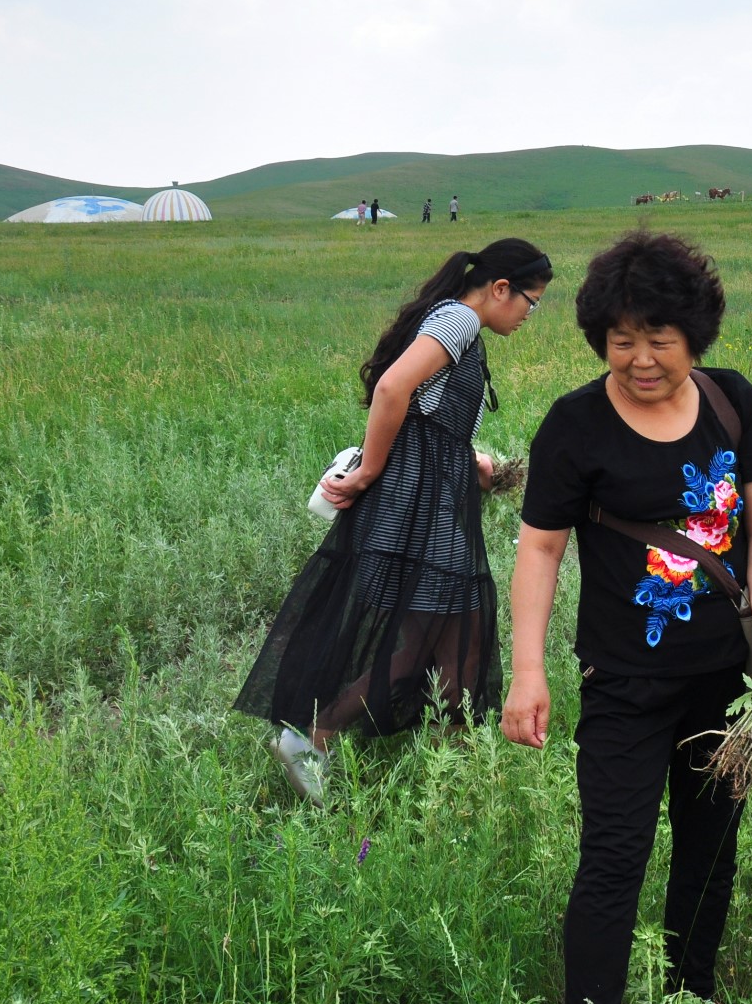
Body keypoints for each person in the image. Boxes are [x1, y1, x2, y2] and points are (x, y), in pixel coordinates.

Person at [501, 229, 752, 1004]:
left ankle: (689, 995)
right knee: (614, 857)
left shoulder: (733, 404)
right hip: (623, 681)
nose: (640, 359)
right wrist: (526, 668)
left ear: (694, 335)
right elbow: (542, 548)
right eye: (621, 339)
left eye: (659, 339)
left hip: (727, 682)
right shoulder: (574, 425)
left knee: (712, 846)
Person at [237, 239, 553, 805]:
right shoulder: (458, 320)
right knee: (422, 645)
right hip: (422, 516)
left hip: (433, 509)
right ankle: (316, 739)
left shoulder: (456, 325)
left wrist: (477, 464)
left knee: (459, 646)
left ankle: (447, 785)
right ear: (501, 289)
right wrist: (367, 472)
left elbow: (426, 417)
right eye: (532, 300)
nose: (531, 313)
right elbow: (392, 389)